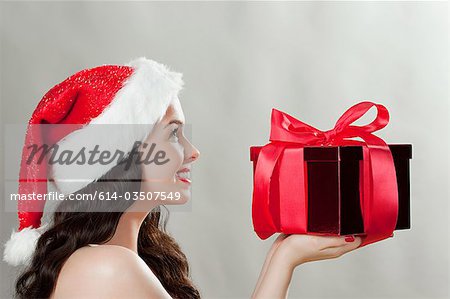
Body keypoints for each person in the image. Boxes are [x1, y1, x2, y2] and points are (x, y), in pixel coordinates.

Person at [3, 57, 361, 299]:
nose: (192, 151)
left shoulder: (119, 257)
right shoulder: (105, 266)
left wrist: (283, 254)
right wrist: (285, 259)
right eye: (173, 134)